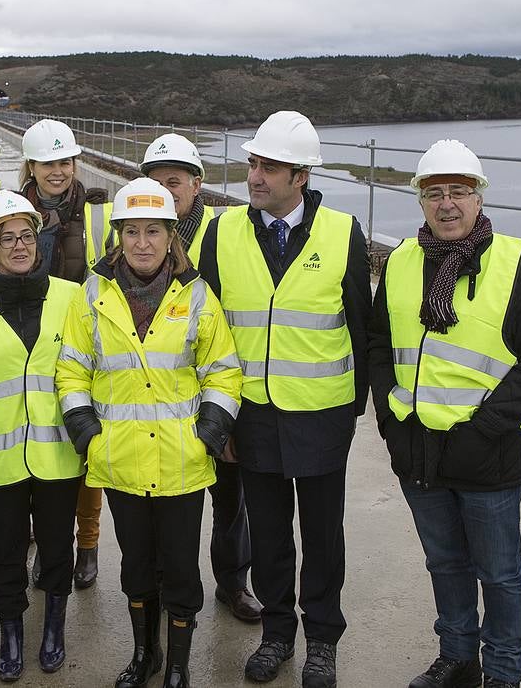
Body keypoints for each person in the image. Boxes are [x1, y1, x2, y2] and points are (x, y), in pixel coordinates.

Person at [369, 140, 521, 688]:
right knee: (445, 564)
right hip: (419, 450)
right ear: (421, 202)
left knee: (500, 575)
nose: (447, 204)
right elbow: (379, 345)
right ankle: (458, 657)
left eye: (459, 192)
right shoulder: (404, 261)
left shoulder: (516, 261)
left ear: (479, 198)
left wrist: (486, 427)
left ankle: (503, 671)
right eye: (435, 193)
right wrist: (391, 418)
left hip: (488, 451)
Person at [196, 111, 372, 688]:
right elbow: (207, 335)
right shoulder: (222, 233)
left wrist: (350, 414)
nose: (255, 176)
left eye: (268, 166)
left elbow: (362, 330)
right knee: (268, 537)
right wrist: (218, 424)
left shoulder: (343, 234)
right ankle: (277, 634)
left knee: (323, 537)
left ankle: (322, 639)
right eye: (252, 163)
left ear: (301, 176)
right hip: (252, 419)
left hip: (322, 418)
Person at [56, 177, 241, 688]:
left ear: (170, 235)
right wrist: (86, 430)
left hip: (183, 463)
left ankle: (178, 664)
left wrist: (208, 431)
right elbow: (71, 368)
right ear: (117, 235)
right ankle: (146, 656)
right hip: (119, 460)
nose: (142, 242)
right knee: (137, 565)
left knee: (181, 569)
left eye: (153, 231)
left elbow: (223, 370)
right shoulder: (91, 294)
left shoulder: (198, 295)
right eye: (131, 231)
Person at [0, 190, 85, 681]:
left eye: (28, 236)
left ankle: (53, 626)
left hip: (59, 456)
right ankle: (10, 631)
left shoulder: (71, 298)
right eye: (8, 239)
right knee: (5, 548)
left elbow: (88, 373)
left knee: (55, 545)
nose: (21, 246)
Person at [141, 132, 258, 624]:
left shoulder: (224, 231)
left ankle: (233, 582)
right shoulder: (135, 231)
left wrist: (224, 413)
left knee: (231, 498)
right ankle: (171, 584)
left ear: (197, 184)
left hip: (212, 390)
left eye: (176, 182)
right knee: (168, 502)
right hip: (160, 397)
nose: (167, 191)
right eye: (157, 182)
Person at [20, 118, 112, 590]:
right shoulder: (15, 212)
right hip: (32, 343)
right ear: (30, 166)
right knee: (42, 447)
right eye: (48, 162)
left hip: (85, 343)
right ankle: (49, 540)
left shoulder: (99, 213)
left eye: (65, 161)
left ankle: (89, 545)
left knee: (86, 447)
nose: (58, 171)